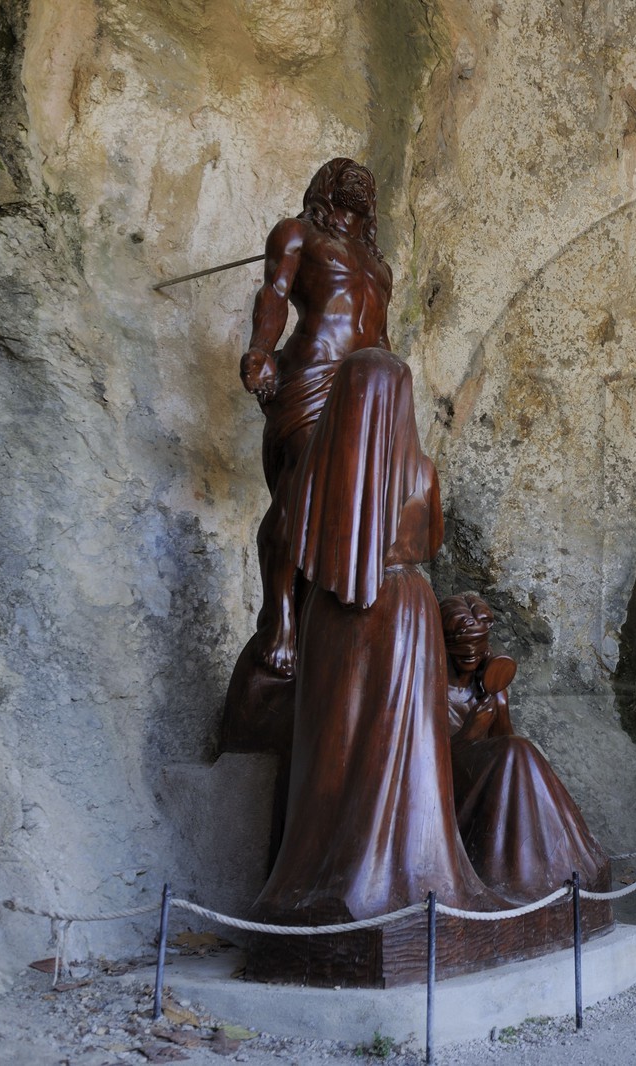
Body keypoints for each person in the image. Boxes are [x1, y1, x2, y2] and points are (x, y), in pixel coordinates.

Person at [252, 351, 501, 923]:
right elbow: (432, 537)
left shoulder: (317, 464)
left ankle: (318, 877)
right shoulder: (423, 472)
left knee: (330, 744)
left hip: (333, 614)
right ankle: (412, 875)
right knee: (402, 743)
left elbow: (288, 538)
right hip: (405, 609)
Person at [223, 158, 396, 752]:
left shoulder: (380, 266)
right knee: (300, 492)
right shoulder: (297, 233)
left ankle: (333, 625)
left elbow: (380, 338)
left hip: (362, 402)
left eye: (363, 178)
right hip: (309, 382)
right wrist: (260, 352)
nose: (356, 178)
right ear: (323, 186)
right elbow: (274, 293)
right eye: (344, 173)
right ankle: (281, 619)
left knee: (355, 517)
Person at [440, 593, 612, 904]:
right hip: (450, 790)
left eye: (478, 652)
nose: (472, 660)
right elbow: (424, 764)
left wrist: (497, 704)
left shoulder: (489, 689)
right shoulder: (430, 689)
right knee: (516, 751)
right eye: (463, 655)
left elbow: (507, 749)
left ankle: (564, 861)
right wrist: (468, 735)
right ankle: (512, 874)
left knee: (520, 752)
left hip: (490, 786)